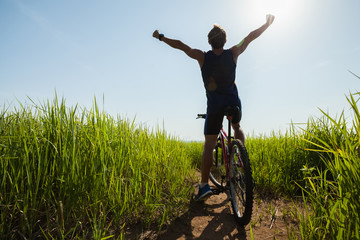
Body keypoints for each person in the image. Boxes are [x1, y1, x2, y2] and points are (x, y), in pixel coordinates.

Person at [153, 14, 275, 201]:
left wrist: (161, 37)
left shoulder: (201, 56)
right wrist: (266, 24)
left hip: (215, 106)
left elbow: (180, 44)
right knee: (237, 127)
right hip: (233, 102)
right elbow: (250, 36)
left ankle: (203, 186)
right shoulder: (234, 52)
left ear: (209, 41)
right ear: (225, 41)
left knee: (209, 146)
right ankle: (240, 159)